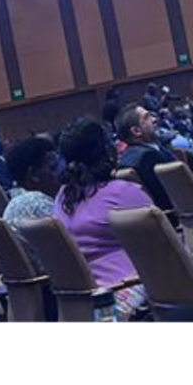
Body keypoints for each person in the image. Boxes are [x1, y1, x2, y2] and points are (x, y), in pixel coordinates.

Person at [54, 117, 153, 316]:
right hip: (135, 294)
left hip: (87, 304)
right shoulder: (124, 193)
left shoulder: (62, 198)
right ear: (107, 151)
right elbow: (164, 251)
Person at [2, 137, 58, 237]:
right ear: (33, 174)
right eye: (53, 168)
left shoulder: (14, 203)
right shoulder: (38, 204)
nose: (61, 173)